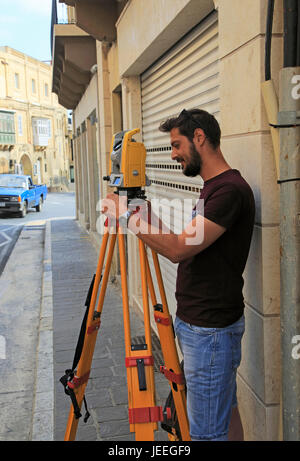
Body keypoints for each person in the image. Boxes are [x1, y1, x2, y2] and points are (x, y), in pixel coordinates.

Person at [101, 108, 255, 441]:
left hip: (210, 330)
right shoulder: (213, 187)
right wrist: (143, 212)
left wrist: (127, 218)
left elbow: (178, 249)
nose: (172, 155)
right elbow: (187, 244)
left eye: (176, 145)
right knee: (225, 414)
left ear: (199, 138)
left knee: (206, 433)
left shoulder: (229, 191)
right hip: (202, 327)